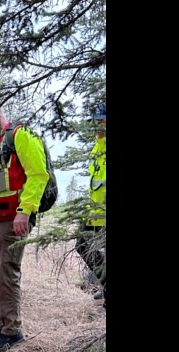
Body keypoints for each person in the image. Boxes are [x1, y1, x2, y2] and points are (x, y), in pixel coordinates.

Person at [0, 102, 50, 351]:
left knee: (5, 274)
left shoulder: (21, 135)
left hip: (11, 219)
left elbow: (38, 174)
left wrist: (25, 211)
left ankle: (12, 330)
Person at [78, 101, 106, 305]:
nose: (97, 127)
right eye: (95, 123)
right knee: (82, 244)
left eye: (102, 122)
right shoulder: (97, 148)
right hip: (95, 211)